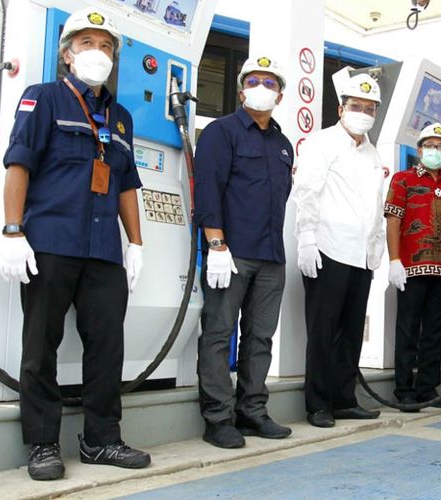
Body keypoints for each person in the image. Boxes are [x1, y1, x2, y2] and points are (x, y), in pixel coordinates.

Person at [0, 7, 150, 481]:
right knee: (40, 345)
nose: (97, 53)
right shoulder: (42, 98)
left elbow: (126, 185)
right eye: (87, 43)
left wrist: (136, 244)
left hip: (103, 249)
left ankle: (101, 439)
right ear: (67, 54)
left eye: (105, 46)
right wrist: (13, 230)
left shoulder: (120, 119)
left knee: (107, 346)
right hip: (50, 243)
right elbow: (19, 165)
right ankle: (43, 443)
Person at [194, 55, 293, 449]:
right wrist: (216, 244)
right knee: (219, 334)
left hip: (271, 255)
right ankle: (218, 418)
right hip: (231, 252)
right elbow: (208, 189)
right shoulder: (221, 132)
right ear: (240, 91)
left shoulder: (283, 145)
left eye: (270, 83)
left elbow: (281, 197)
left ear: (280, 96)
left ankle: (252, 410)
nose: (261, 89)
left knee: (260, 337)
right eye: (253, 81)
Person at [293, 73, 386, 428]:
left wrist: (376, 248)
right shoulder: (321, 143)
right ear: (340, 109)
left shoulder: (373, 153)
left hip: (361, 256)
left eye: (369, 108)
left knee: (351, 331)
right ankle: (318, 404)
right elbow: (307, 192)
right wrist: (306, 238)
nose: (363, 113)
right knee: (323, 331)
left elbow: (375, 205)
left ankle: (344, 399)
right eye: (356, 106)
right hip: (328, 249)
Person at [385, 123, 441, 411]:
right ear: (419, 150)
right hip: (411, 267)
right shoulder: (403, 180)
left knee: (436, 331)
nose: (435, 151)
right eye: (430, 146)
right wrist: (394, 260)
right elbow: (393, 220)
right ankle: (404, 389)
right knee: (408, 329)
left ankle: (428, 388)